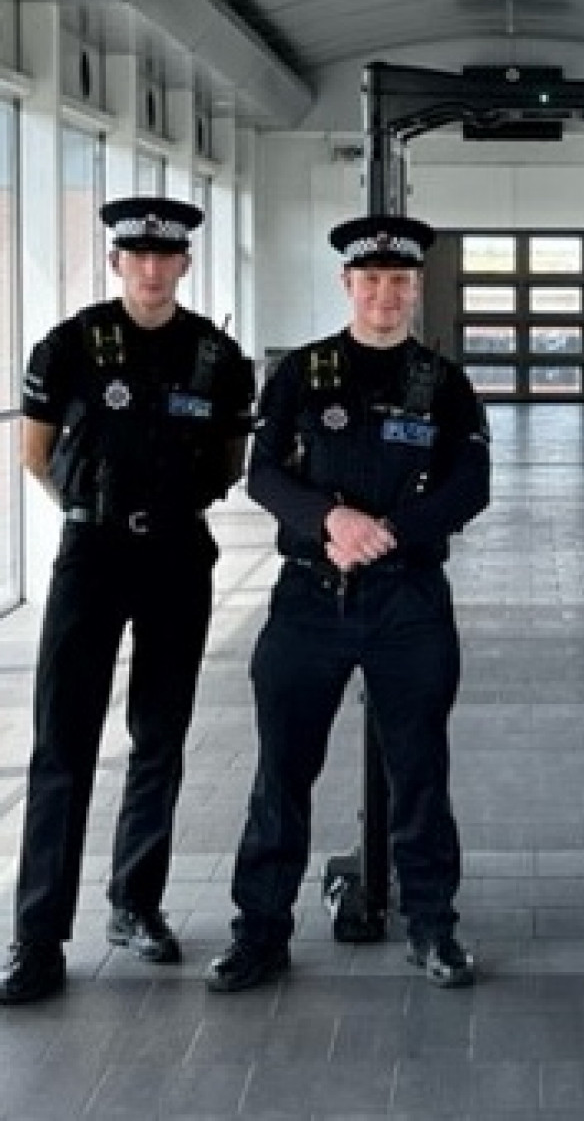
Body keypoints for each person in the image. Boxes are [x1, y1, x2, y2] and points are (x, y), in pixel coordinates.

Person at [206, 213, 490, 993]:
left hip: (408, 602)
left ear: (415, 288)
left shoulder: (443, 383)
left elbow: (473, 484)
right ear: (348, 285)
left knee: (419, 772)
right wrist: (330, 519)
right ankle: (259, 934)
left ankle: (433, 928)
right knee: (281, 773)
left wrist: (390, 532)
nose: (385, 295)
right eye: (371, 281)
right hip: (310, 599)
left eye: (399, 282)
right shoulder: (301, 372)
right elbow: (263, 474)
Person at [0, 196, 256, 1005]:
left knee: (159, 734)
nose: (151, 268)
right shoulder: (71, 346)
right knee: (62, 744)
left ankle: (135, 906)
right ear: (117, 263)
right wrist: (96, 513)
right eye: (136, 255)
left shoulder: (217, 357)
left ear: (184, 263)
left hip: (178, 553)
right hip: (92, 555)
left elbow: (228, 458)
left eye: (166, 255)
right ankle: (37, 937)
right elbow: (34, 454)